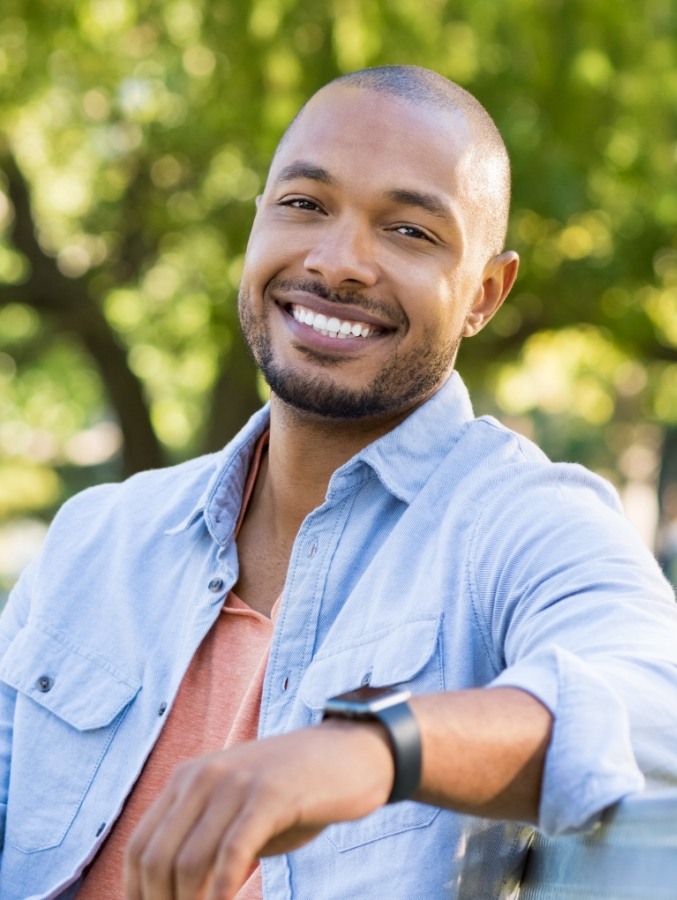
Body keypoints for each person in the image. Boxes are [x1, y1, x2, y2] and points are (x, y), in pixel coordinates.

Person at [1, 65, 676, 900]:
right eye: (304, 205)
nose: (338, 261)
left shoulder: (521, 522)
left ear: (485, 295)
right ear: (257, 223)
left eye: (409, 232)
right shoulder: (94, 538)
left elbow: (652, 703)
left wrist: (369, 749)